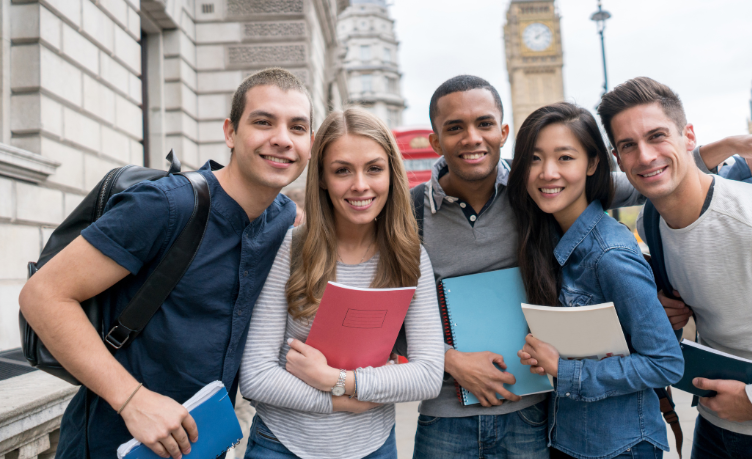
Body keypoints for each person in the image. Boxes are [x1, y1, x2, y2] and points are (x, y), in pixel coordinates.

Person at [410, 74, 752, 459]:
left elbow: (651, 173)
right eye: (455, 127)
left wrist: (726, 147)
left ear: (502, 132)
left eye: (484, 124)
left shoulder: (573, 226)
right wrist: (449, 360)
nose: (548, 172)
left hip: (568, 426)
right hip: (506, 422)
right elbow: (392, 314)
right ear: (436, 141)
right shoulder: (437, 209)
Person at [18, 68, 312, 459]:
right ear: (230, 132)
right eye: (263, 122)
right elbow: (42, 295)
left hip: (202, 447)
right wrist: (132, 399)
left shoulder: (284, 219)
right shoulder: (166, 205)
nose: (282, 139)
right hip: (112, 444)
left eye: (297, 127)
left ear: (310, 143)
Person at [598, 76, 752, 458]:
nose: (645, 156)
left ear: (689, 136)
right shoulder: (651, 223)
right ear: (618, 158)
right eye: (629, 145)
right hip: (715, 427)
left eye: (657, 136)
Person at [239, 107, 445, 459]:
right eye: (342, 170)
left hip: (374, 448)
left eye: (374, 169)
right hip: (281, 445)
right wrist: (342, 401)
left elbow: (427, 375)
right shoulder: (289, 249)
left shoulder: (410, 258)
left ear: (392, 174)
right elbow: (256, 376)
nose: (360, 185)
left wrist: (336, 380)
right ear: (321, 178)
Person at [509, 102, 683, 459]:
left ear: (592, 164)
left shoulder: (610, 255)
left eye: (565, 158)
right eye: (535, 159)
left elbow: (665, 362)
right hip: (568, 438)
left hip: (619, 446)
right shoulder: (546, 239)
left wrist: (564, 370)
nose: (547, 173)